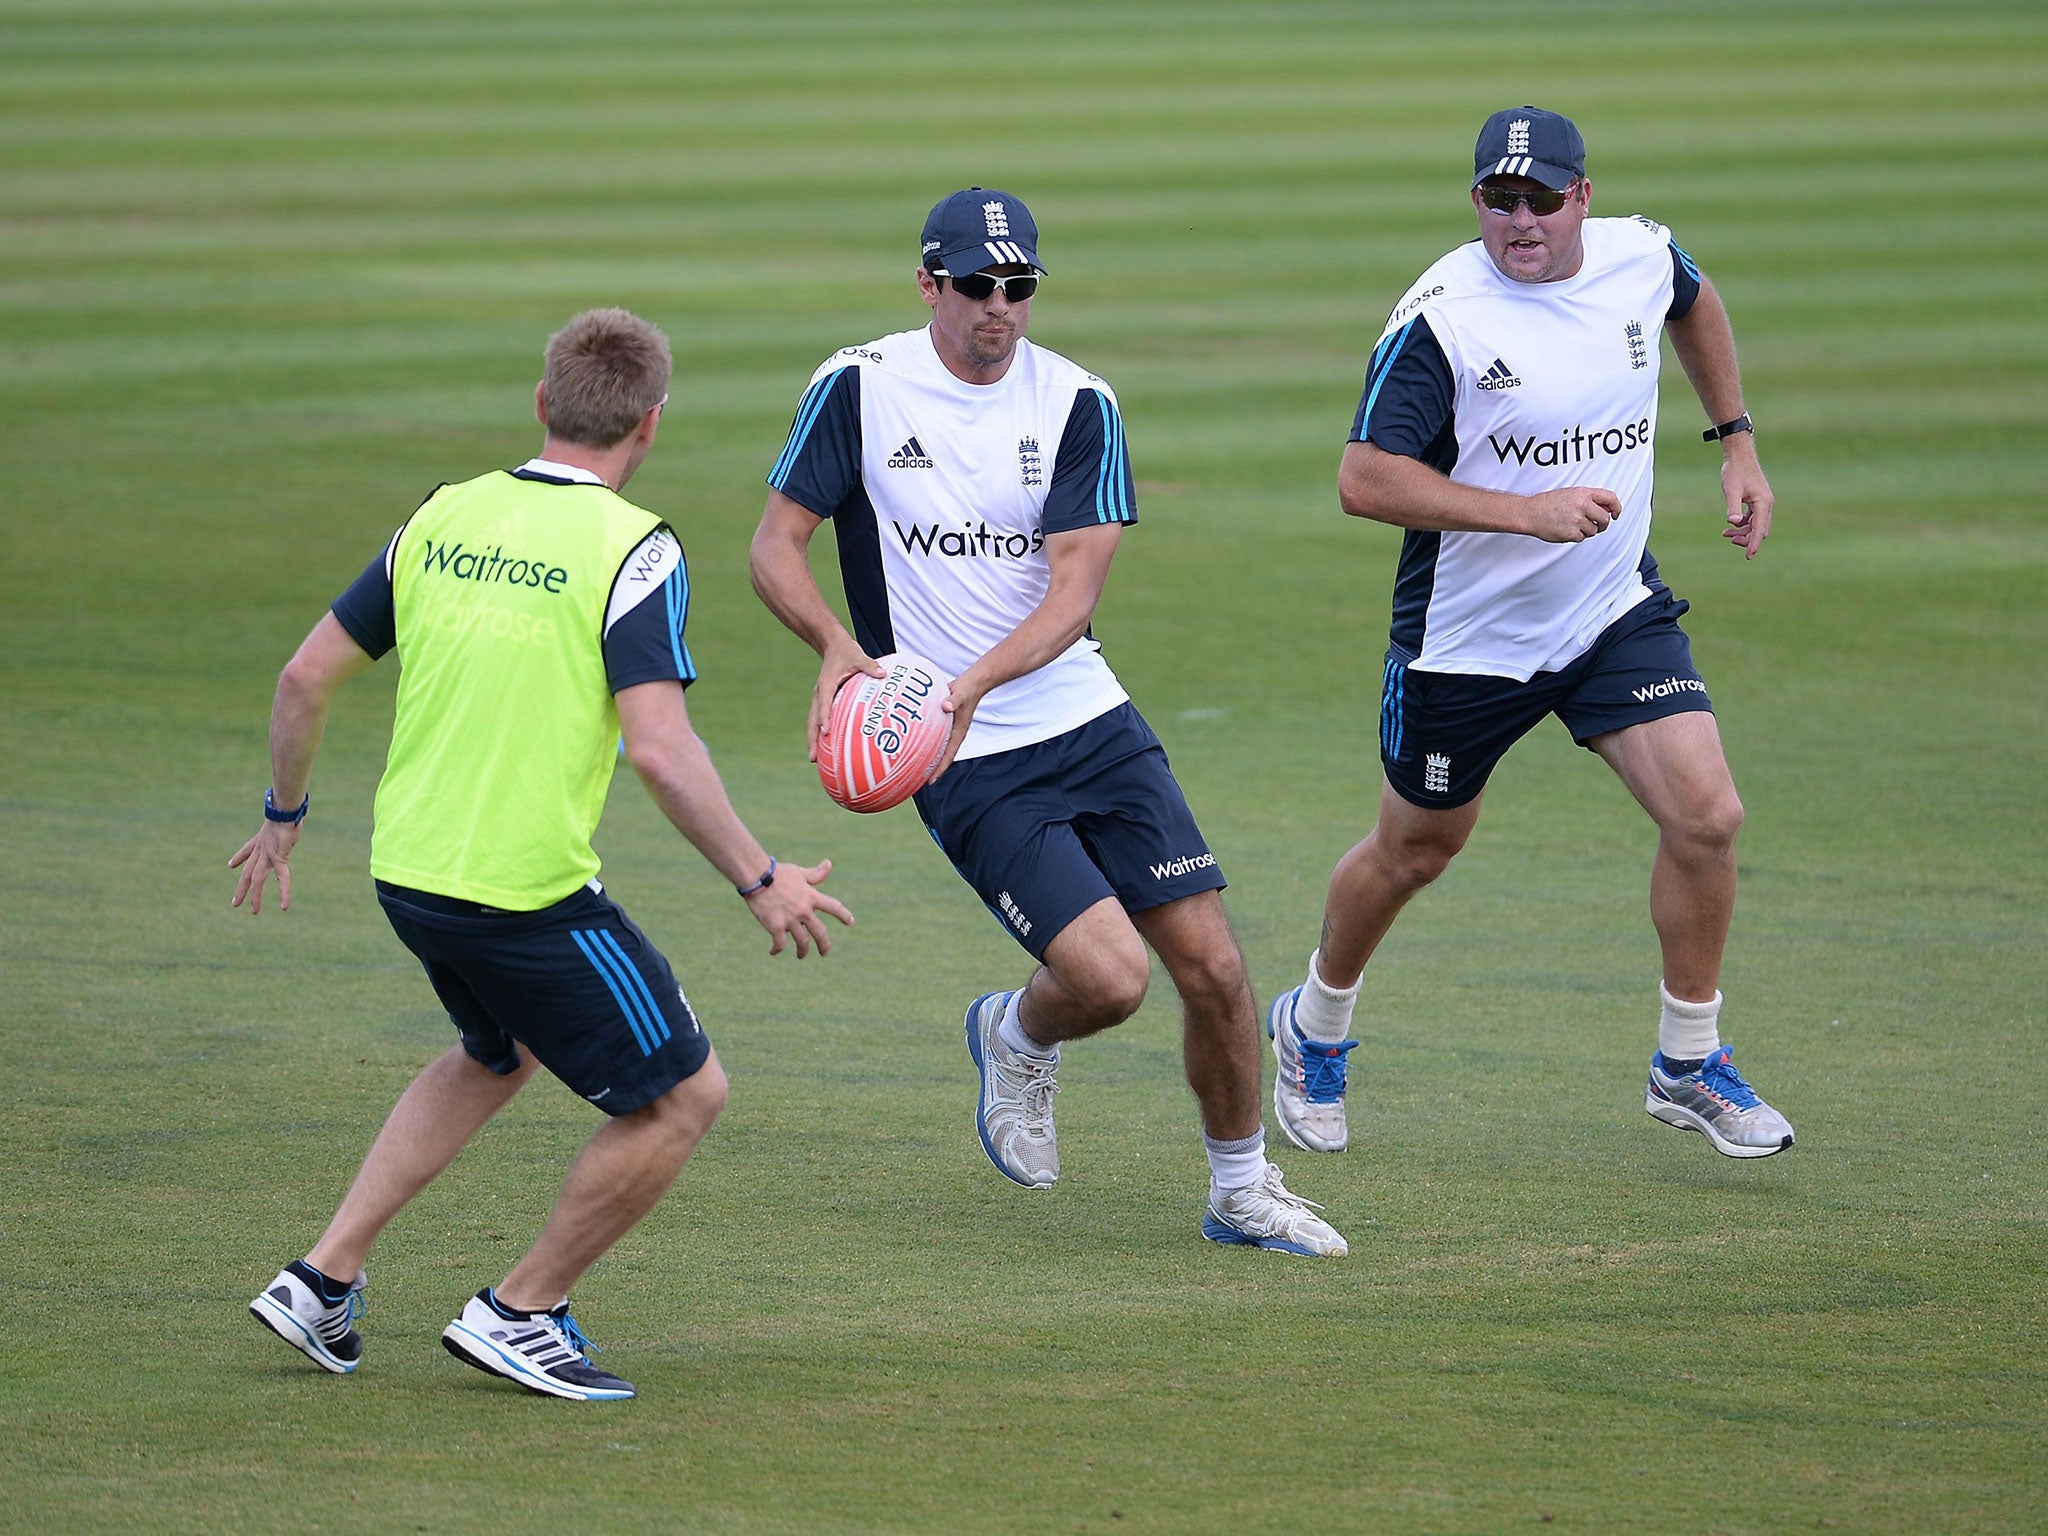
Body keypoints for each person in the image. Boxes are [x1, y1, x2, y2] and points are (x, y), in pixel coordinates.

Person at [233, 308, 851, 1401]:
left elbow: (301, 678)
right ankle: (520, 1310)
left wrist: (284, 815)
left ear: (541, 402)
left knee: (495, 1052)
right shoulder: (635, 547)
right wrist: (763, 881)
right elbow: (661, 751)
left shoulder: (442, 513)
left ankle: (322, 1279)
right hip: (520, 893)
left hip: (408, 871)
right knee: (681, 1096)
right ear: (650, 424)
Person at [749, 188, 1346, 1257]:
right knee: (1111, 981)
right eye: (976, 286)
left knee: (1211, 967)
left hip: (1076, 712)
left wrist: (970, 678)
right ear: (928, 283)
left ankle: (1240, 1188)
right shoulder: (858, 389)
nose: (1000, 307)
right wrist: (840, 653)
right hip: (956, 749)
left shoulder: (1076, 403)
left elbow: (1074, 597)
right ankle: (1014, 1036)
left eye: (1018, 286)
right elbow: (773, 547)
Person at [1268, 108, 1795, 1161]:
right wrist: (1526, 511)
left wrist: (1734, 440)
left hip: (1608, 612)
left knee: (1707, 816)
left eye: (1539, 199)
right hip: (1467, 640)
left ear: (1581, 199)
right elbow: (1361, 480)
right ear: (1474, 204)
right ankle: (1311, 1025)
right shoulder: (1440, 321)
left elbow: (1693, 299)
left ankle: (1685, 1061)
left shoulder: (1639, 255)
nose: (1518, 220)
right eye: (1496, 200)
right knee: (1416, 848)